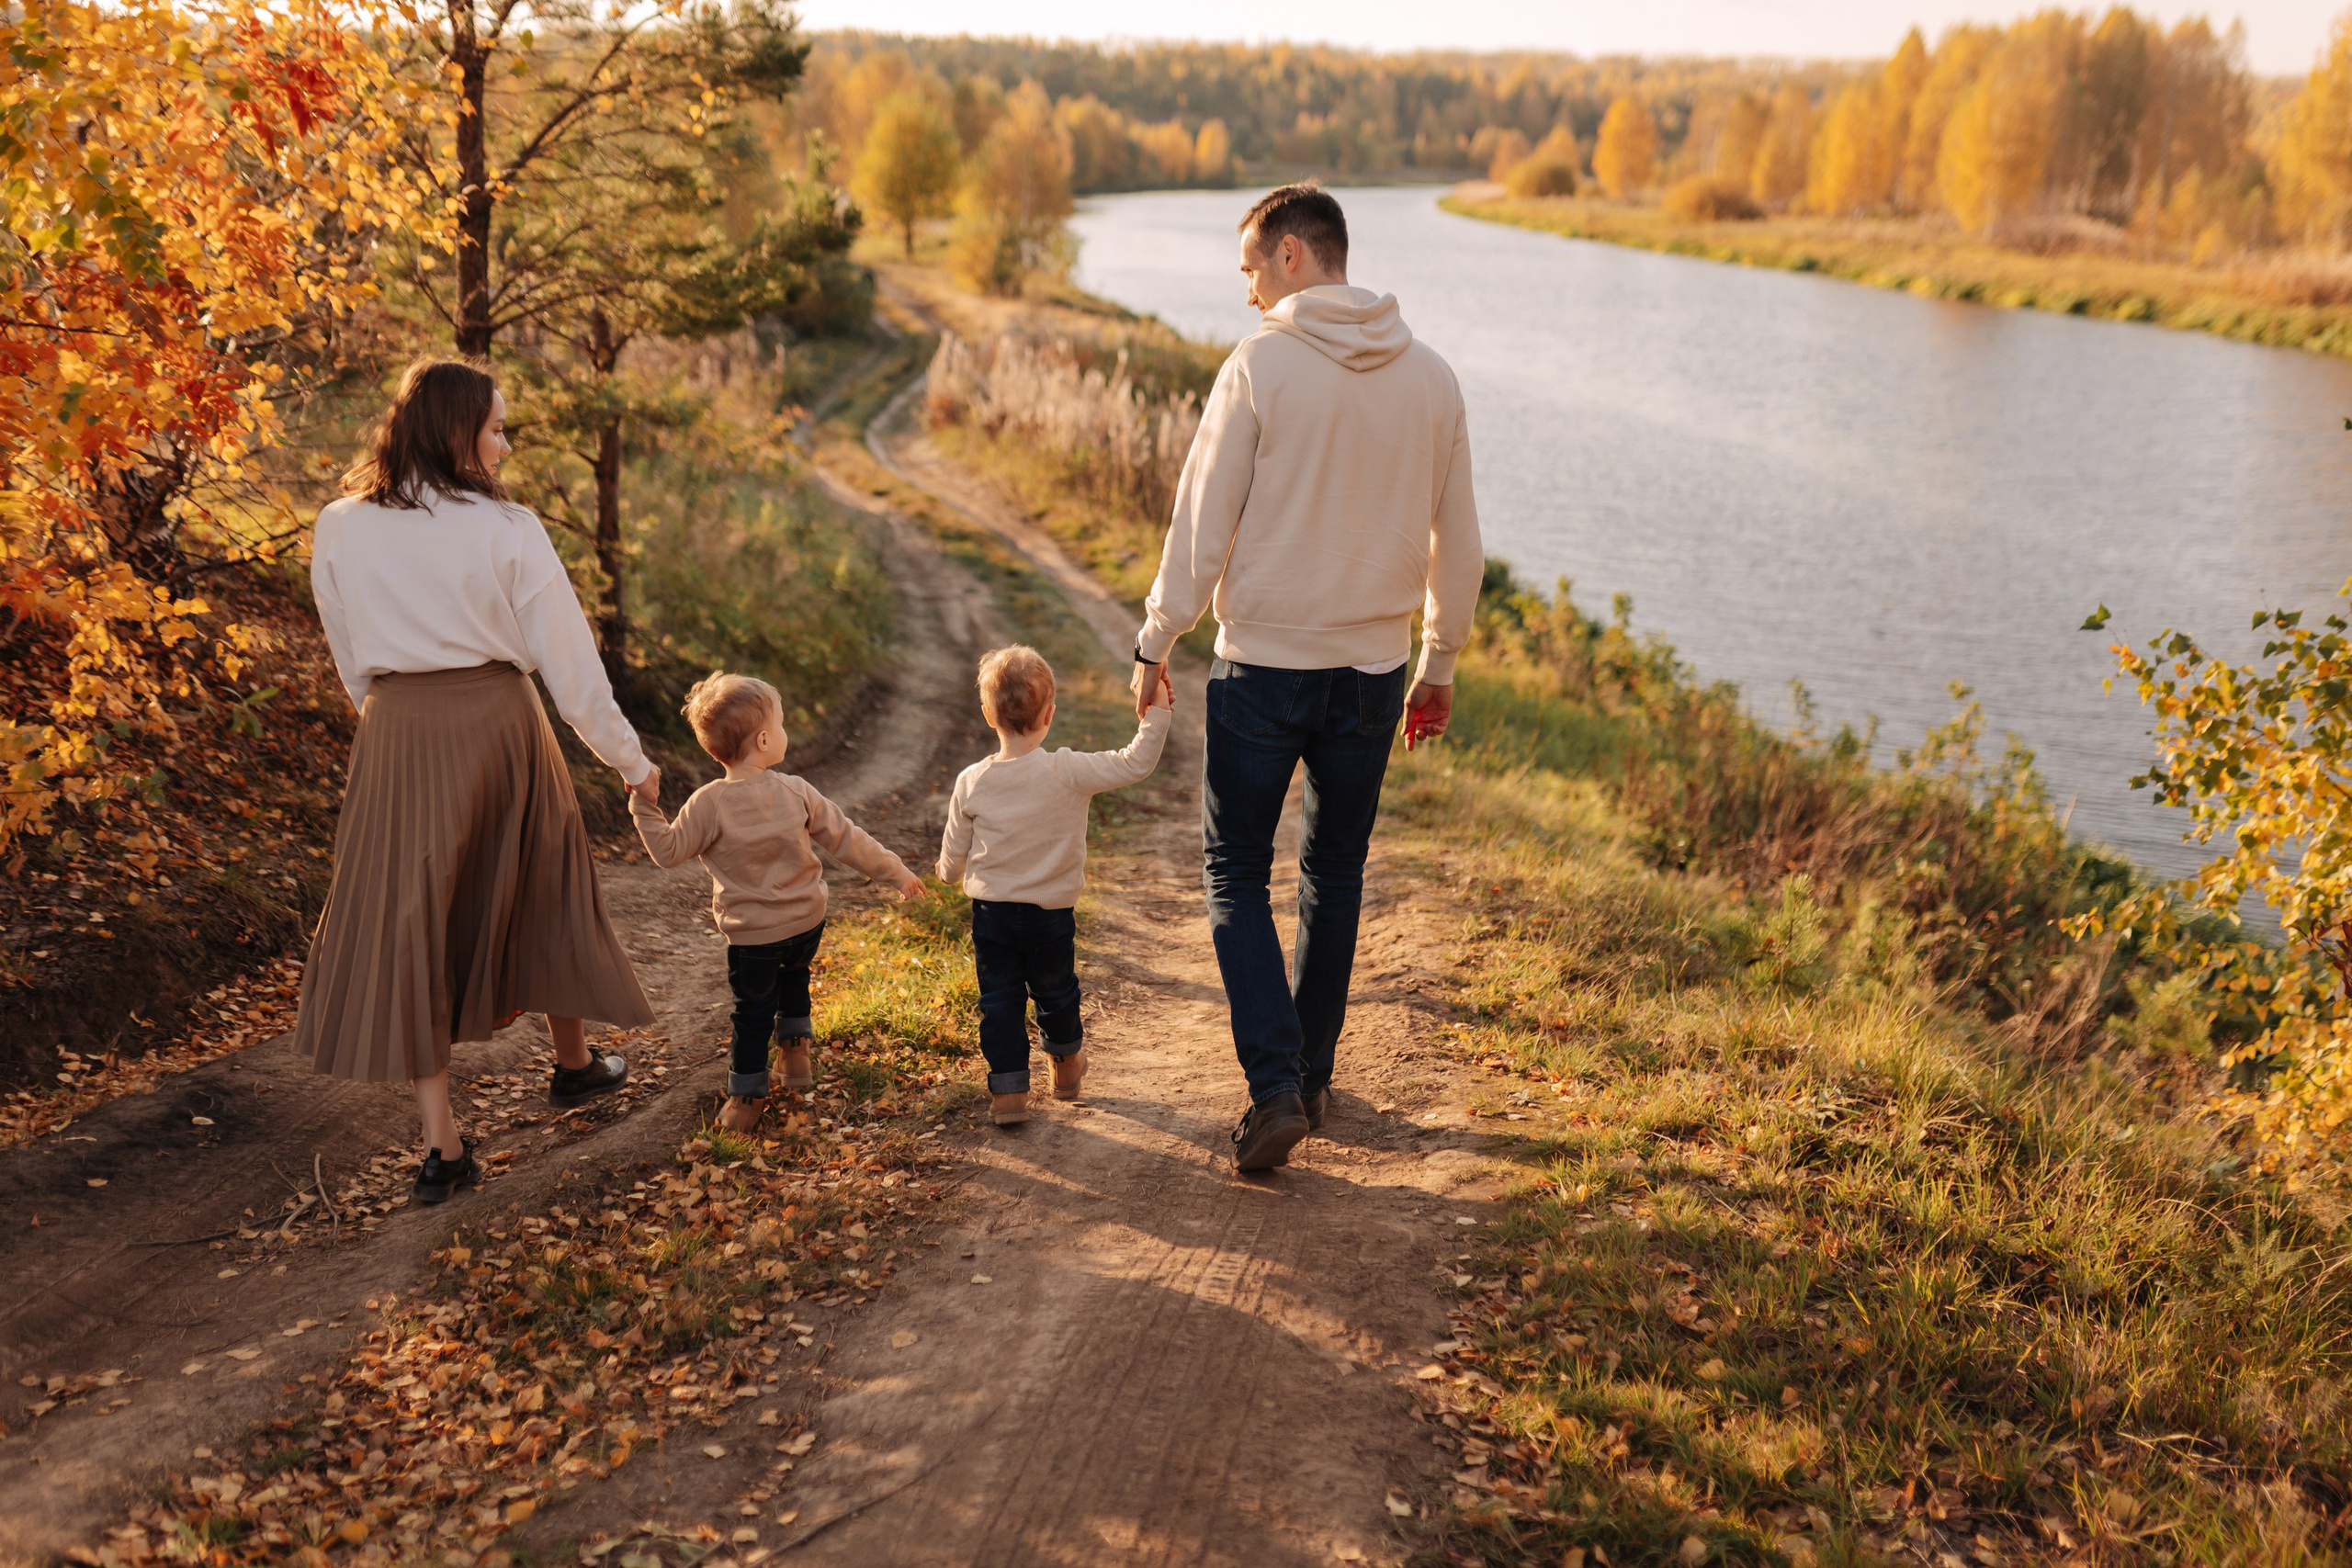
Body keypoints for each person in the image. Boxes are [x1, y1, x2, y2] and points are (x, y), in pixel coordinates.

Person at [1129, 183, 1483, 1173]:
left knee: (1235, 870)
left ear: (1291, 254)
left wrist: (1157, 638)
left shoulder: (1261, 365)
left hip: (1265, 667)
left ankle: (1276, 1085)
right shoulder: (1434, 377)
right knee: (1335, 868)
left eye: (1250, 269)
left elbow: (1200, 523)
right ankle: (1312, 1074)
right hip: (1370, 673)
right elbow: (1460, 541)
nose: (1246, 292)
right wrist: (1438, 659)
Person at [297, 358, 660, 1204]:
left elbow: (347, 648)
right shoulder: (508, 527)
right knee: (543, 879)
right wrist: (631, 762)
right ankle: (573, 1066)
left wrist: (387, 718)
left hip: (396, 730)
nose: (504, 445)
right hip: (500, 722)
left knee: (409, 917)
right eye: (497, 428)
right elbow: (569, 663)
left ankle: (444, 1146)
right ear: (459, 431)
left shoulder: (340, 524)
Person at [631, 671, 922, 1134]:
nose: (785, 733)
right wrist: (895, 871)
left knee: (752, 1012)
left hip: (754, 937)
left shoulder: (708, 803)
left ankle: (746, 1096)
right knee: (795, 977)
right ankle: (795, 1054)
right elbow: (846, 840)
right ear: (764, 740)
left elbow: (666, 852)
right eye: (782, 725)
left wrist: (645, 806)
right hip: (807, 922)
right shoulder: (796, 790)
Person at [939, 646, 1172, 1125]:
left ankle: (1008, 1092)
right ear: (1049, 714)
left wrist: (946, 874)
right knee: (1056, 991)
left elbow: (953, 852)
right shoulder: (1067, 770)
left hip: (992, 915)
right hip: (1050, 916)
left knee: (999, 1001)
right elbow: (1135, 763)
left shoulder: (972, 781)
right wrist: (1159, 711)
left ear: (987, 715)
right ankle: (1066, 1068)